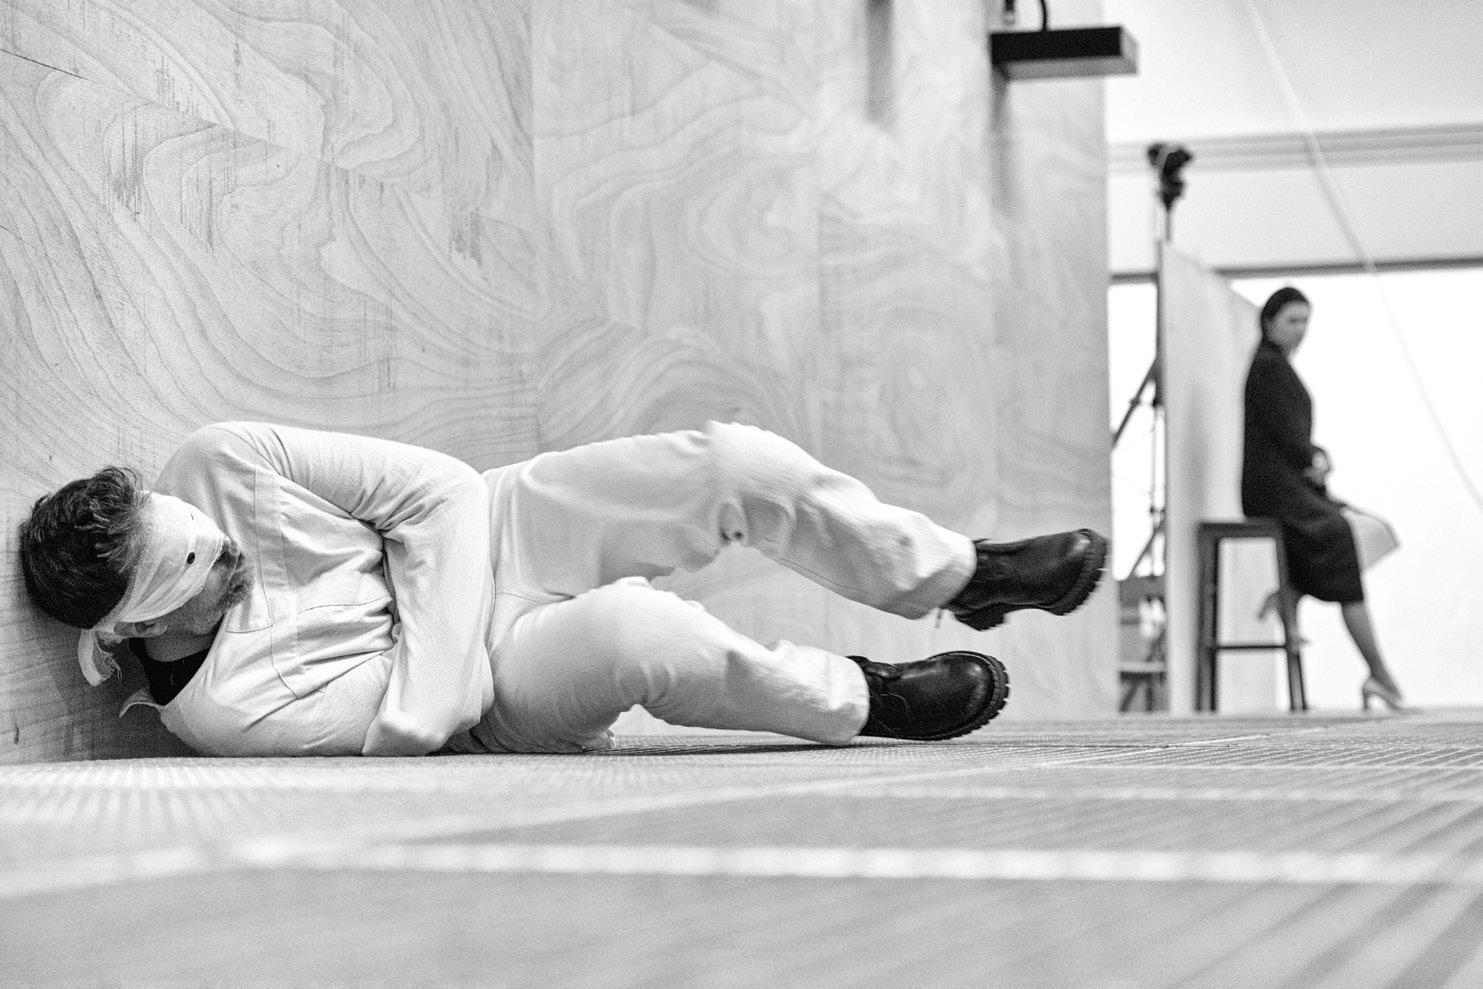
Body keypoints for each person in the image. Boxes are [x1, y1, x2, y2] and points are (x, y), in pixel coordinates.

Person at [19, 420, 1108, 756]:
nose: (223, 548)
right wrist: (419, 558)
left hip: (496, 525)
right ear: (131, 628)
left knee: (730, 464)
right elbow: (441, 715)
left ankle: (961, 572)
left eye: (195, 524)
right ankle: (866, 698)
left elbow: (446, 487)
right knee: (642, 636)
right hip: (501, 690)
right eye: (191, 566)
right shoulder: (223, 713)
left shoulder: (219, 461)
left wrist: (424, 596)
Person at [1242, 287, 1408, 712]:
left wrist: (1314, 458)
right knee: (1339, 535)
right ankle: (1378, 671)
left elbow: (1290, 437)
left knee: (1356, 531)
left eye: (1305, 321)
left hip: (1289, 485)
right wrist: (1312, 459)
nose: (1301, 330)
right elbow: (1286, 436)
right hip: (1275, 490)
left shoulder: (1274, 365)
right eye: (1292, 320)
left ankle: (1290, 593)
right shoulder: (1269, 367)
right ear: (1269, 322)